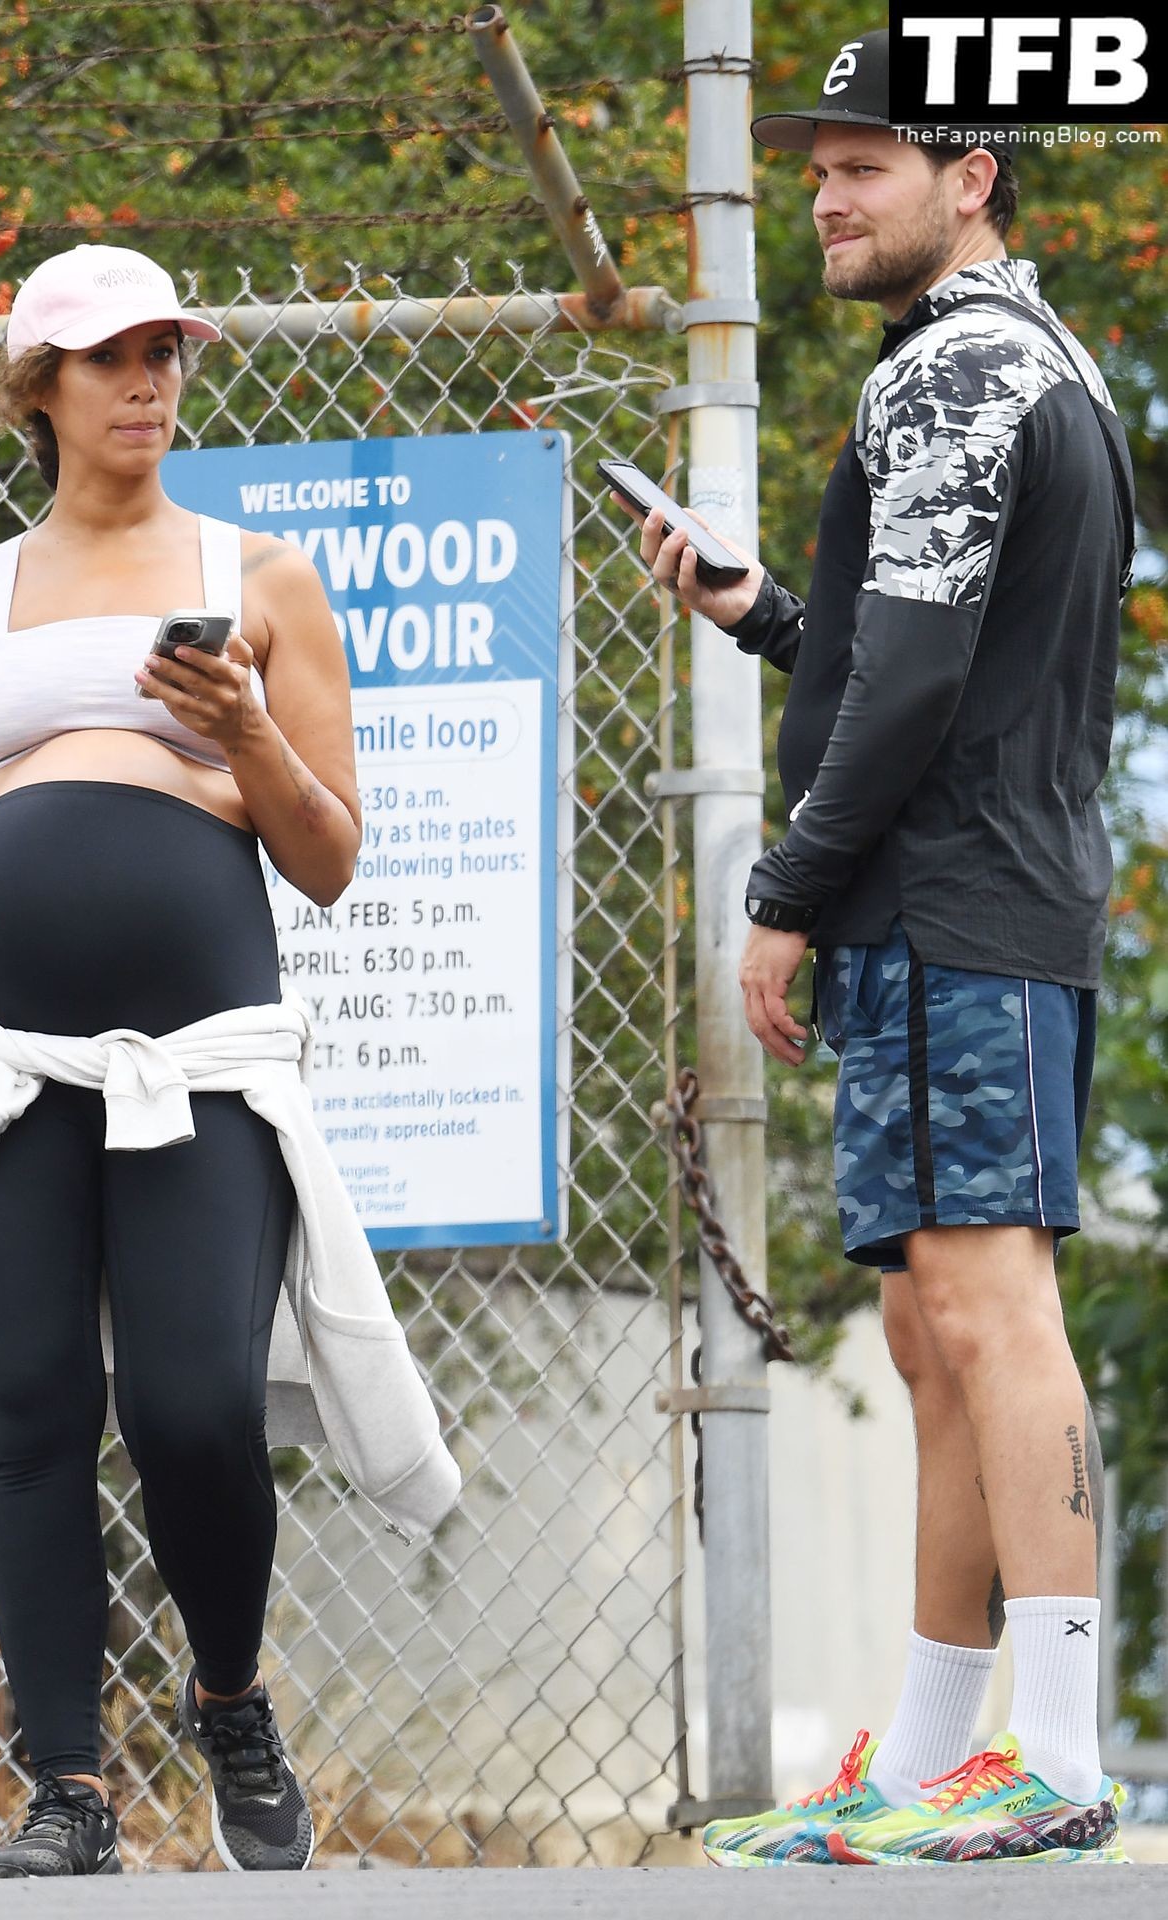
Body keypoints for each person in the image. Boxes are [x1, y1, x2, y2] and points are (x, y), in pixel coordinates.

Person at [622, 27, 1132, 1869]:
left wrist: (784, 892)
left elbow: (915, 689)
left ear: (972, 176)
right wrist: (767, 611)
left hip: (951, 904)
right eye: (819, 168)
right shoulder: (1043, 360)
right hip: (999, 895)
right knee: (932, 1331)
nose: (827, 198)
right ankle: (927, 1758)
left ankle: (1054, 1759)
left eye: (866, 166)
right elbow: (929, 652)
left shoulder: (947, 375)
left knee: (989, 1309)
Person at [0, 242, 377, 1877]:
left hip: (193, 1060)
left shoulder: (261, 579)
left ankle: (229, 1700)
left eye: (166, 353)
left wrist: (244, 727)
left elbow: (329, 859)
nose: (147, 382)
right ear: (43, 388)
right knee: (31, 1414)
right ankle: (67, 1790)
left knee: (194, 1405)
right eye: (111, 357)